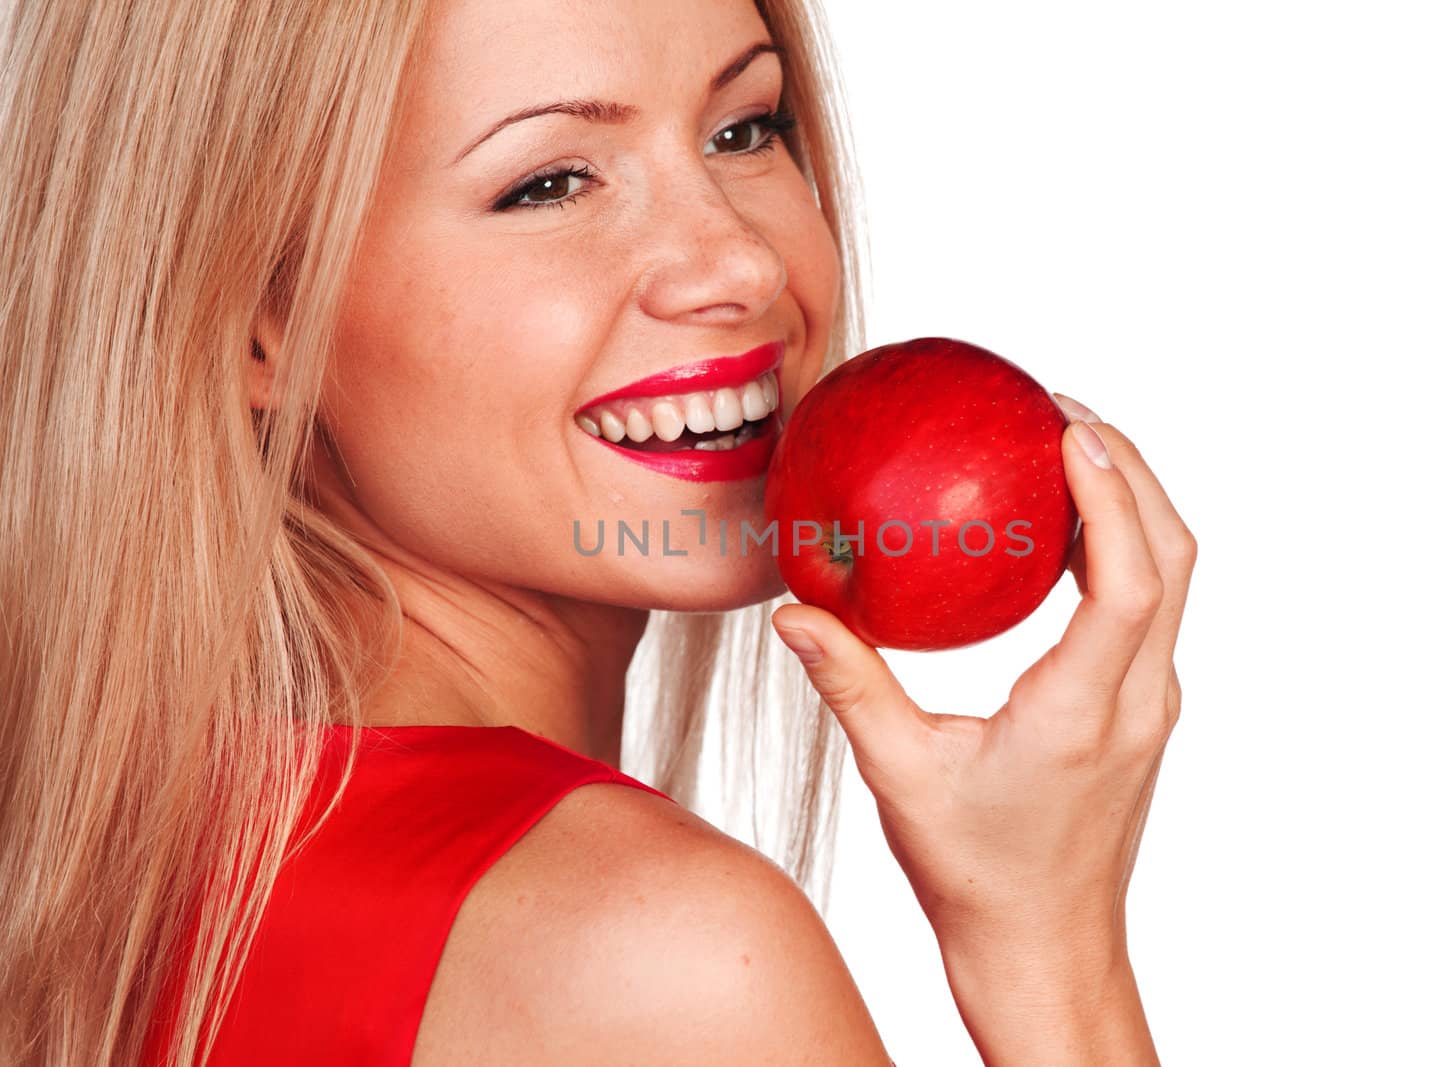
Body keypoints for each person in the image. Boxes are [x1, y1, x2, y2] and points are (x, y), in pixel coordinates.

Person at [0, 0, 1197, 1063]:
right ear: (260, 320)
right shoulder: (655, 953)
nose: (736, 261)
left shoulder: (94, 855)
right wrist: (1048, 954)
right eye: (548, 183)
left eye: (745, 129)